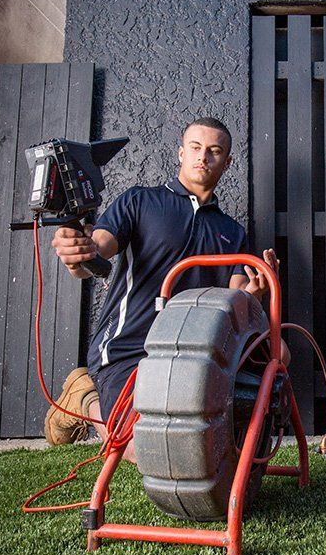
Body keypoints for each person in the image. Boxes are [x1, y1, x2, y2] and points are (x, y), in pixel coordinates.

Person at [47, 117, 279, 456]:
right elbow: (99, 246)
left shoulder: (232, 232)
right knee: (141, 450)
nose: (204, 157)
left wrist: (257, 292)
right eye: (196, 148)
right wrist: (79, 252)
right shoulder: (139, 201)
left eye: (215, 151)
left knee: (189, 448)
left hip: (191, 354)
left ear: (227, 162)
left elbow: (238, 295)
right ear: (181, 153)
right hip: (129, 349)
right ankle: (85, 399)